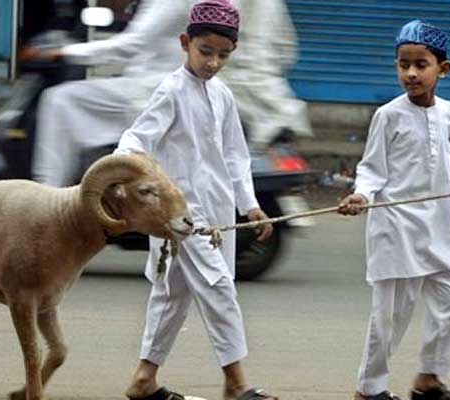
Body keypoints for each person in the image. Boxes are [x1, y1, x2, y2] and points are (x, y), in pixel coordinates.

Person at [113, 2, 277, 400]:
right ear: (185, 43)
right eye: (205, 51)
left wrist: (250, 205)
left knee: (172, 296)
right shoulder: (171, 89)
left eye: (223, 55)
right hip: (181, 215)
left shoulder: (223, 95)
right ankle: (236, 384)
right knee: (219, 287)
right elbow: (136, 140)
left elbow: (236, 156)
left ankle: (143, 381)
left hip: (218, 211)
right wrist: (125, 177)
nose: (213, 62)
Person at [337, 20, 450, 400]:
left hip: (438, 227)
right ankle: (369, 390)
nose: (410, 73)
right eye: (403, 64)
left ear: (443, 69)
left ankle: (428, 379)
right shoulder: (388, 115)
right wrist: (361, 196)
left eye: (421, 64)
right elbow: (372, 169)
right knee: (391, 316)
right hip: (395, 227)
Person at [23, 0, 311, 187]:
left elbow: (131, 45)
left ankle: (48, 200)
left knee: (61, 100)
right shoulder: (272, 4)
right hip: (257, 98)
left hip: (161, 88)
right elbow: (287, 50)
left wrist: (64, 53)